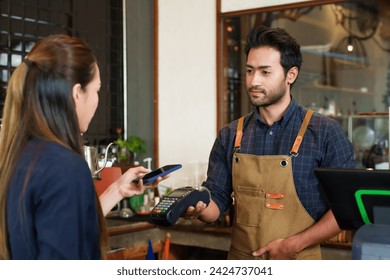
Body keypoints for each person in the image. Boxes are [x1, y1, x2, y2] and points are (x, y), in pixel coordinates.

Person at [185, 26, 355, 260]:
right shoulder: (230, 134)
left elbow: (345, 209)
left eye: (265, 72)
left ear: (291, 75)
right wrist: (199, 208)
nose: (254, 81)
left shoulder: (325, 133)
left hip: (298, 262)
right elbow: (218, 200)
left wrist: (293, 245)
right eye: (249, 71)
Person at [0, 34, 163, 260]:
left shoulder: (19, 156)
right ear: (77, 94)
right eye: (96, 90)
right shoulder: (65, 166)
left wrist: (116, 191)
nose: (97, 100)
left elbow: (61, 231)